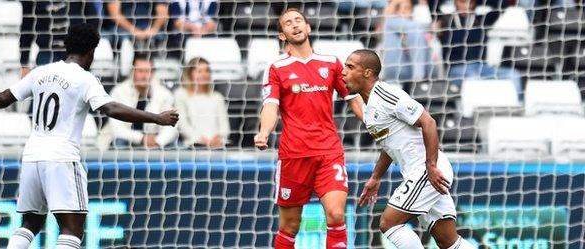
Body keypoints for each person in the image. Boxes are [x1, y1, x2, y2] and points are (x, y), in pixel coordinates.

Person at [0, 24, 178, 249]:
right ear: (91, 52)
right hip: (61, 158)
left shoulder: (41, 72)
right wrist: (156, 118)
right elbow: (111, 109)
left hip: (32, 156)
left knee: (30, 223)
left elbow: (7, 96)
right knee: (72, 230)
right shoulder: (84, 79)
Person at [342, 49, 475, 248]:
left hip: (427, 171)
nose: (344, 72)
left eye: (350, 67)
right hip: (423, 172)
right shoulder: (370, 109)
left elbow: (428, 122)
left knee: (389, 223)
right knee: (447, 240)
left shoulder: (386, 94)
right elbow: (389, 144)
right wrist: (376, 177)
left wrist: (430, 166)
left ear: (367, 73)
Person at [254, 8, 364, 249]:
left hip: (328, 152)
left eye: (298, 21)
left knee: (336, 214)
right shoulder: (276, 67)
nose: (294, 25)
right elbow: (270, 106)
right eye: (287, 24)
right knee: (290, 226)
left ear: (308, 27)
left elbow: (353, 98)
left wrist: (370, 120)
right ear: (282, 35)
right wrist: (264, 132)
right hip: (294, 155)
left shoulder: (332, 63)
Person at [437, 0, 522, 94]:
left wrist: (479, 2)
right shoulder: (445, 21)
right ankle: (472, 108)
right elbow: (434, 5)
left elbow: (503, 5)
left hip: (481, 67)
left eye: (470, 2)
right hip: (457, 69)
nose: (466, 6)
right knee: (473, 79)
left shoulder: (481, 21)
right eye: (462, 2)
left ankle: (517, 106)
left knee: (514, 75)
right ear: (455, 2)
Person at [98, 53, 179, 149]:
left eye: (147, 71)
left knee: (174, 144)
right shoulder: (119, 91)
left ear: (153, 73)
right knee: (119, 142)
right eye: (140, 71)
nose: (144, 76)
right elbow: (116, 127)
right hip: (127, 139)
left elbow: (171, 126)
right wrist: (141, 138)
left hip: (154, 140)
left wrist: (158, 141)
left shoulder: (164, 94)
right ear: (133, 72)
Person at [20, 0, 100, 77]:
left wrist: (86, 50)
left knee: (79, 87)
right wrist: (24, 63)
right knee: (46, 87)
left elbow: (93, 20)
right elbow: (27, 27)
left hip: (77, 53)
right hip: (47, 53)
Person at [174, 57, 229, 149]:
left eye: (207, 71)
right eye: (199, 71)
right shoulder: (181, 95)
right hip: (193, 145)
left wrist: (218, 138)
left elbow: (225, 127)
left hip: (218, 146)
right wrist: (201, 139)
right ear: (190, 74)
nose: (204, 74)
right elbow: (183, 125)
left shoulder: (217, 97)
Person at [382, 0, 432, 83]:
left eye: (406, 8)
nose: (403, 11)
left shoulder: (416, 30)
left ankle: (420, 80)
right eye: (398, 8)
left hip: (412, 71)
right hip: (395, 73)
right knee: (416, 31)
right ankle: (419, 79)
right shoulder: (390, 23)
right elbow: (423, 25)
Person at [103, 0, 169, 52]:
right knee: (124, 40)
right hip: (121, 28)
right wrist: (134, 31)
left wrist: (153, 30)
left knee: (160, 37)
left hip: (148, 29)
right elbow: (115, 14)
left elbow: (163, 14)